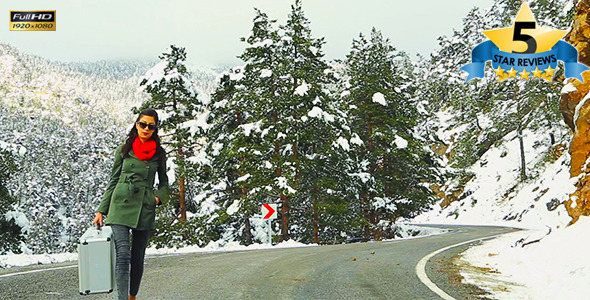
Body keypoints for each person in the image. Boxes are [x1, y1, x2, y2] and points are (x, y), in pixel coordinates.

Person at [93, 108, 169, 300]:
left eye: (150, 126)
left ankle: (132, 296)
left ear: (155, 129)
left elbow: (164, 182)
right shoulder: (124, 149)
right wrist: (101, 210)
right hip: (120, 205)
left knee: (137, 258)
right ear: (136, 125)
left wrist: (157, 198)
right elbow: (113, 180)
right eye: (142, 124)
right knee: (123, 255)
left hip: (145, 207)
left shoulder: (159, 154)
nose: (146, 129)